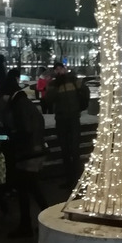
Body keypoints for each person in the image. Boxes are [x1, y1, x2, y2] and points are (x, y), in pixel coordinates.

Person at [0, 71, 48, 237]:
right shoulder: (24, 102)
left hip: (29, 154)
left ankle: (33, 225)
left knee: (28, 189)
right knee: (30, 188)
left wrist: (4, 136)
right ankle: (37, 222)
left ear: (7, 94)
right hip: (35, 151)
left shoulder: (19, 105)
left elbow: (23, 131)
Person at [44, 61, 89, 190]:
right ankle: (70, 180)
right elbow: (48, 100)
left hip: (73, 119)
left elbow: (85, 93)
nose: (59, 71)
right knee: (65, 151)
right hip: (61, 120)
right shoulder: (53, 84)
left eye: (61, 68)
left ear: (65, 69)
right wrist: (53, 86)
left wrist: (80, 107)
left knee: (75, 150)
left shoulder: (73, 80)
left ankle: (78, 181)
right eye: (57, 69)